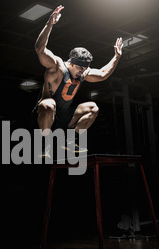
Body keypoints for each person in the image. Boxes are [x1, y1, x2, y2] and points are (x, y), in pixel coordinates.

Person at [32, 5, 123, 157]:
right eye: (79, 68)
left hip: (65, 117)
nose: (82, 71)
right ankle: (44, 144)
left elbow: (103, 74)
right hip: (45, 116)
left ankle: (69, 140)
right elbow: (39, 49)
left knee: (93, 108)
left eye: (84, 68)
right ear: (71, 63)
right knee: (49, 104)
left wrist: (117, 57)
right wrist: (49, 25)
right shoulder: (57, 67)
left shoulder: (83, 71)